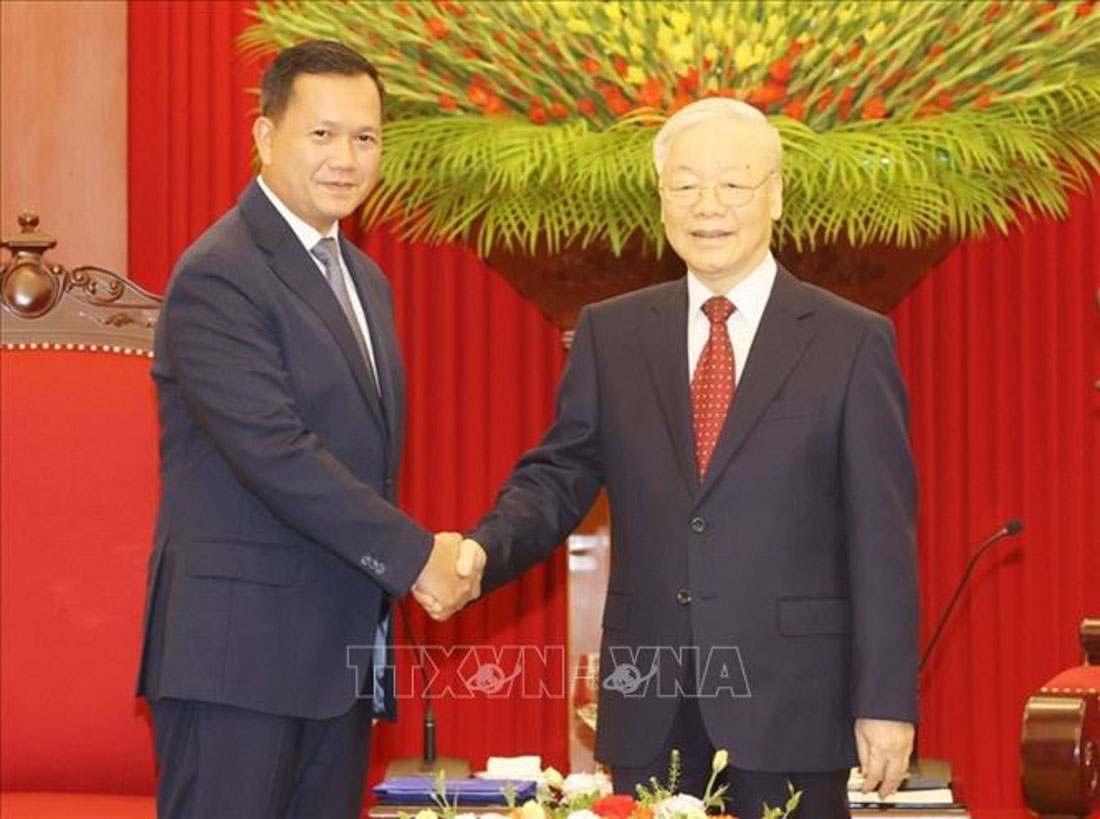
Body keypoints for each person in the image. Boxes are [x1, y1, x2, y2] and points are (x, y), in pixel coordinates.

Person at [429, 98, 918, 818]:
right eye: (685, 186)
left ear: (775, 195)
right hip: (647, 704)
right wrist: (480, 549)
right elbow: (559, 475)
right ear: (661, 200)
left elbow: (883, 537)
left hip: (793, 709)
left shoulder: (850, 341)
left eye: (732, 184)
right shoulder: (613, 333)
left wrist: (885, 703)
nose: (707, 206)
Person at [136, 40, 483, 819]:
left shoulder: (366, 278)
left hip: (338, 659)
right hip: (238, 661)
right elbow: (277, 453)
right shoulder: (219, 272)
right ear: (265, 136)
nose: (346, 158)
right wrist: (417, 555)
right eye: (321, 134)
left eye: (365, 138)